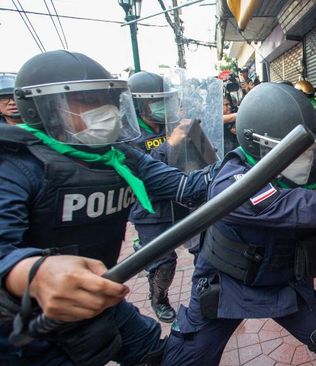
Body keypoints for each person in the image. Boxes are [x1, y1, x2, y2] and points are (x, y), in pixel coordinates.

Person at [162, 82, 316, 365]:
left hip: (283, 278)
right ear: (259, 146)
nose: (307, 157)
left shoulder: (303, 166)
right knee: (187, 358)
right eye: (298, 150)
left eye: (310, 149)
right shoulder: (233, 184)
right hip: (228, 283)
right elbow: (310, 207)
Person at [0, 50, 217, 365]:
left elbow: (184, 185)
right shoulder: (15, 164)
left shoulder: (118, 157)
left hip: (100, 299)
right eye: (88, 100)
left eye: (110, 99)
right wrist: (34, 274)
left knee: (160, 356)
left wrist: (243, 169)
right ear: (44, 108)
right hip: (25, 328)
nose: (106, 110)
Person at [126, 71, 186, 323]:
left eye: (166, 100)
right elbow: (141, 170)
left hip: (182, 197)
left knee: (207, 247)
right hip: (150, 207)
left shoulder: (171, 123)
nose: (163, 106)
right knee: (164, 261)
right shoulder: (127, 133)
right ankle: (159, 299)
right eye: (156, 101)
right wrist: (170, 143)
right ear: (139, 104)